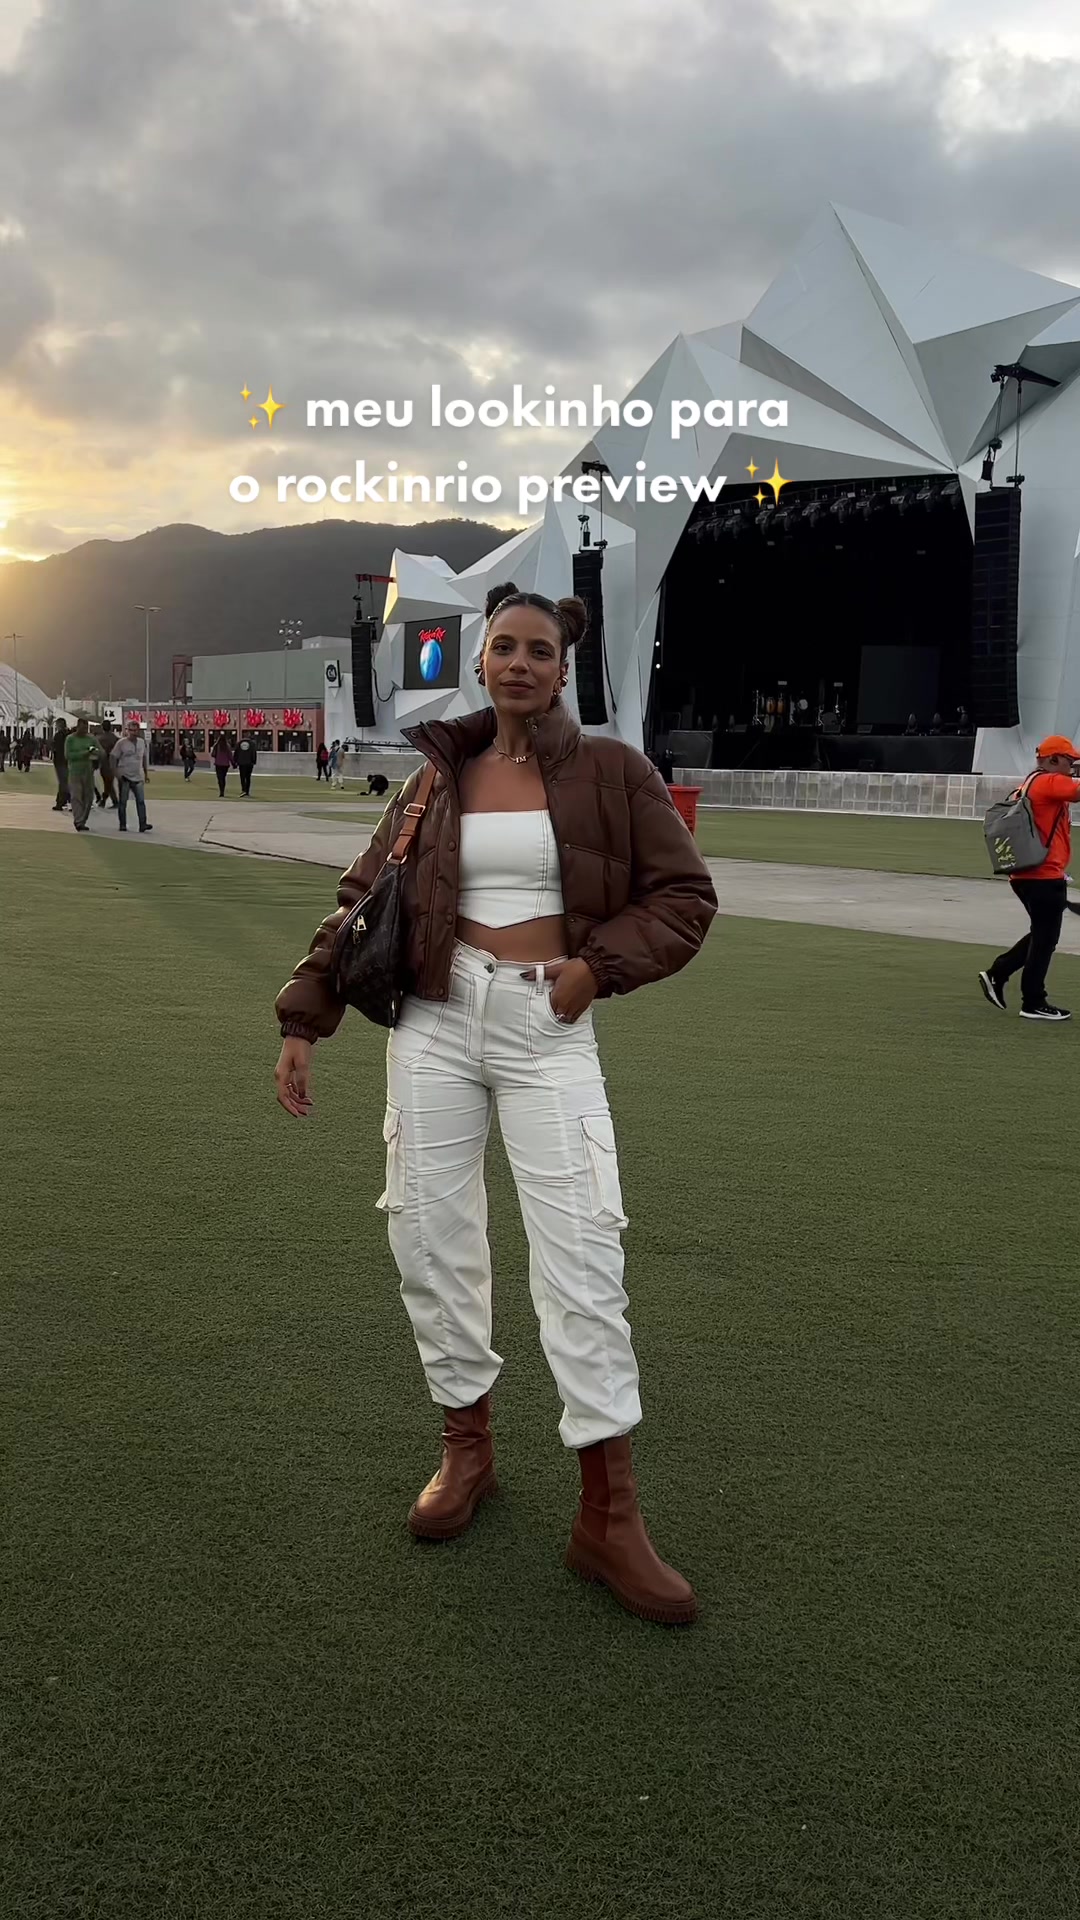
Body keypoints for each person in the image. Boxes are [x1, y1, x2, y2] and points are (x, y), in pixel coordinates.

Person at [274, 580, 718, 1627]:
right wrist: (305, 1017)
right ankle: (465, 1451)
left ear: (563, 670)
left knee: (583, 1254)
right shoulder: (435, 775)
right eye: (504, 647)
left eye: (539, 652)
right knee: (429, 1237)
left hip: (546, 1022)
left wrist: (594, 969)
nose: (519, 664)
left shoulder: (613, 771)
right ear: (479, 660)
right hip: (435, 1020)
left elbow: (685, 896)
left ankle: (609, 1517)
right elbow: (364, 900)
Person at [979, 735, 1080, 1022]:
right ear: (1053, 759)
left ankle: (999, 973)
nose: (1072, 767)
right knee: (1046, 938)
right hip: (1044, 874)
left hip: (1026, 873)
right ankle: (1033, 1000)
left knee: (1042, 934)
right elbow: (1077, 792)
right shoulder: (1049, 781)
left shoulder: (1030, 782)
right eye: (1069, 761)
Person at [111, 721, 153, 833]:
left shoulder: (141, 742)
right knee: (123, 802)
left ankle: (143, 824)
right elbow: (113, 757)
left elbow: (143, 758)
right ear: (127, 731)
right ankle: (123, 824)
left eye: (135, 730)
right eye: (131, 730)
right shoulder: (121, 743)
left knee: (141, 801)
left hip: (138, 776)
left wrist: (146, 773)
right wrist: (116, 773)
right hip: (124, 775)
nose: (133, 733)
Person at [64, 717, 101, 830]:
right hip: (75, 771)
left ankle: (83, 820)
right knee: (76, 796)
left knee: (88, 798)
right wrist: (85, 753)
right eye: (83, 728)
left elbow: (99, 751)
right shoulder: (70, 739)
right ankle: (78, 820)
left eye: (86, 728)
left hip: (88, 771)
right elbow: (68, 755)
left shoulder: (91, 739)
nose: (85, 730)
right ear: (78, 727)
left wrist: (95, 753)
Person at [96, 722, 120, 809]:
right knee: (108, 782)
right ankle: (109, 799)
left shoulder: (99, 738)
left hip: (104, 762)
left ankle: (106, 799)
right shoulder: (115, 738)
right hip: (113, 762)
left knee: (108, 782)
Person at [50, 722, 69, 810]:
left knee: (63, 782)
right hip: (66, 760)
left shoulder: (58, 736)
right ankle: (63, 800)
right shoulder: (69, 734)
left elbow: (55, 748)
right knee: (65, 781)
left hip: (60, 761)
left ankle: (61, 801)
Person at [212, 732, 233, 797]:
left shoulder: (216, 745)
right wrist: (233, 763)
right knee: (223, 777)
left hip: (218, 763)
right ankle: (222, 790)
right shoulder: (227, 746)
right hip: (225, 764)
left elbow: (213, 754)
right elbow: (230, 755)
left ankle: (221, 791)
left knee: (219, 778)